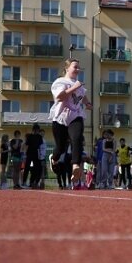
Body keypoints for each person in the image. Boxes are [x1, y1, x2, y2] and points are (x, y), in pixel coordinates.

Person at [49, 58, 92, 187]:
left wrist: (87, 103)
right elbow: (60, 97)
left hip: (75, 115)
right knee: (61, 148)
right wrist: (74, 87)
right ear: (67, 68)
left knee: (76, 138)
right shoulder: (60, 82)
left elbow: (82, 96)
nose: (78, 70)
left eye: (79, 67)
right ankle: (54, 158)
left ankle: (75, 166)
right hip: (60, 118)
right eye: (75, 67)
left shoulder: (78, 84)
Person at [23, 123, 44, 189]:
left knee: (36, 168)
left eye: (37, 130)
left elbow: (40, 147)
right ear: (33, 130)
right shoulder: (29, 136)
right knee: (27, 168)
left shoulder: (39, 137)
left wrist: (41, 155)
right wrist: (24, 154)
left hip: (36, 154)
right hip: (29, 153)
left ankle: (32, 182)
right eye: (35, 130)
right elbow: (26, 145)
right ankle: (24, 182)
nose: (36, 131)